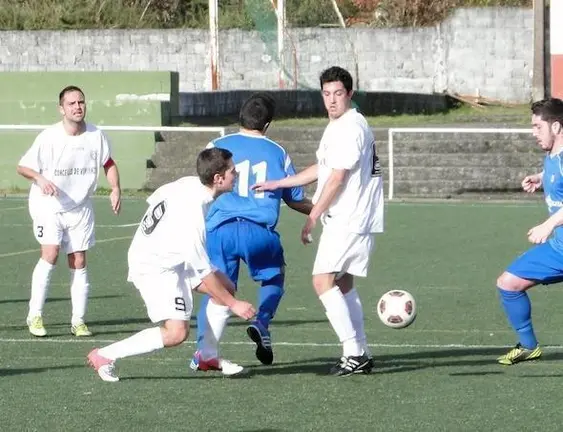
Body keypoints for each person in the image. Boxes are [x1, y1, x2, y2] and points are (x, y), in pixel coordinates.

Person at [253, 66, 384, 376]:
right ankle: (361, 351)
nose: (332, 100)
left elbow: (337, 178)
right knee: (343, 283)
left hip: (349, 218)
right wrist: (280, 183)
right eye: (326, 94)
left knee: (321, 281)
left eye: (338, 93)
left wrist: (312, 215)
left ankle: (353, 352)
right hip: (353, 217)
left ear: (350, 94)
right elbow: (324, 167)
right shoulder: (340, 125)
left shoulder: (351, 127)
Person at [87, 147, 257, 382]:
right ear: (218, 178)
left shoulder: (189, 183)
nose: (236, 174)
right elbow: (203, 272)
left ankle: (207, 357)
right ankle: (104, 355)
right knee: (176, 333)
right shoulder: (193, 215)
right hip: (154, 266)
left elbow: (155, 199)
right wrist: (235, 305)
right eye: (232, 171)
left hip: (171, 256)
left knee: (225, 287)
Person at [191, 93, 312, 373]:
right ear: (267, 124)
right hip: (258, 231)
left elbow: (203, 185)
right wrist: (321, 211)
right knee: (274, 276)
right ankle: (262, 322)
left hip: (220, 230)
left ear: (240, 118)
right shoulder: (277, 151)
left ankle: (204, 352)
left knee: (217, 288)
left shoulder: (217, 144)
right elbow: (294, 198)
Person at [16, 85, 121, 338]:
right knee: (50, 254)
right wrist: (40, 179)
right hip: (49, 204)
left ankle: (78, 321)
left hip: (80, 206)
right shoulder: (49, 137)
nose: (77, 107)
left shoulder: (96, 135)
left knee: (79, 260)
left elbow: (108, 163)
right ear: (61, 109)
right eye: (71, 103)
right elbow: (22, 167)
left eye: (81, 102)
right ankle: (35, 315)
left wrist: (115, 188)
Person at [495, 98, 563, 365]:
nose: (534, 133)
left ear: (556, 127)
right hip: (559, 249)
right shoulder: (553, 155)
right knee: (508, 284)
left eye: (538, 127)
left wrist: (549, 224)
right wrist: (540, 177)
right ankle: (528, 346)